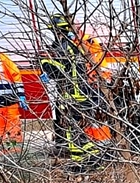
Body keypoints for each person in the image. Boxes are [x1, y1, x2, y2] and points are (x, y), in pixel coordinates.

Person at [40, 15, 113, 171]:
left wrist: (44, 63)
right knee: (82, 132)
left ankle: (81, 164)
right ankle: (94, 160)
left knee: (73, 133)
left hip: (74, 96)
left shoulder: (64, 47)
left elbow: (58, 70)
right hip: (83, 93)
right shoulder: (75, 46)